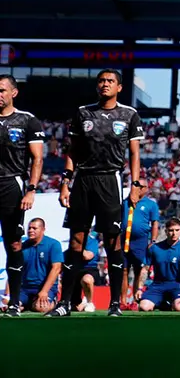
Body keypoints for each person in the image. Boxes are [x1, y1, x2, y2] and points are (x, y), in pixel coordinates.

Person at [48, 69, 145, 318]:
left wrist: (135, 184)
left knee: (113, 242)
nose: (105, 84)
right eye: (101, 81)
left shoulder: (129, 114)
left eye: (110, 81)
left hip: (110, 180)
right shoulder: (83, 112)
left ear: (119, 87)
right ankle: (64, 303)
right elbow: (73, 150)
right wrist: (65, 181)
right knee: (76, 242)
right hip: (83, 180)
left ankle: (114, 304)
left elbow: (134, 153)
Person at [0, 74, 45, 317]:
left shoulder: (27, 121)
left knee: (14, 244)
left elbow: (37, 158)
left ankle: (14, 302)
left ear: (13, 93)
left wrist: (31, 189)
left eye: (2, 90)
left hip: (11, 186)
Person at [138, 218, 180, 312]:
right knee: (144, 307)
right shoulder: (155, 248)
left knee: (179, 308)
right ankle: (162, 304)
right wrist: (139, 288)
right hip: (158, 285)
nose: (174, 233)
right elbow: (145, 269)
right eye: (171, 230)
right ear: (166, 231)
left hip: (176, 285)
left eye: (177, 230)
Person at [121, 183, 159, 310]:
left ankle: (136, 300)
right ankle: (122, 301)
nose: (137, 189)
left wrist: (153, 240)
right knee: (124, 270)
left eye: (141, 187)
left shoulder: (150, 204)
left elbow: (154, 223)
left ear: (146, 189)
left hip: (140, 241)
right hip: (124, 239)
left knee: (138, 270)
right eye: (136, 186)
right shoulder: (125, 202)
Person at [17, 218, 62, 314]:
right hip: (25, 289)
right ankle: (26, 303)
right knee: (11, 305)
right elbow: (16, 270)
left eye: (34, 228)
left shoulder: (53, 244)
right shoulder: (23, 246)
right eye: (29, 228)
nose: (30, 231)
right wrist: (8, 294)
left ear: (43, 230)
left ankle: (53, 302)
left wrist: (44, 291)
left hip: (45, 288)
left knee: (41, 308)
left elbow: (56, 268)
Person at [72, 230, 101, 313]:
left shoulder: (92, 241)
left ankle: (89, 302)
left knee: (87, 280)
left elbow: (88, 256)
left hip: (89, 269)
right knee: (75, 308)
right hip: (75, 270)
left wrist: (78, 246)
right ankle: (80, 302)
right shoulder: (73, 241)